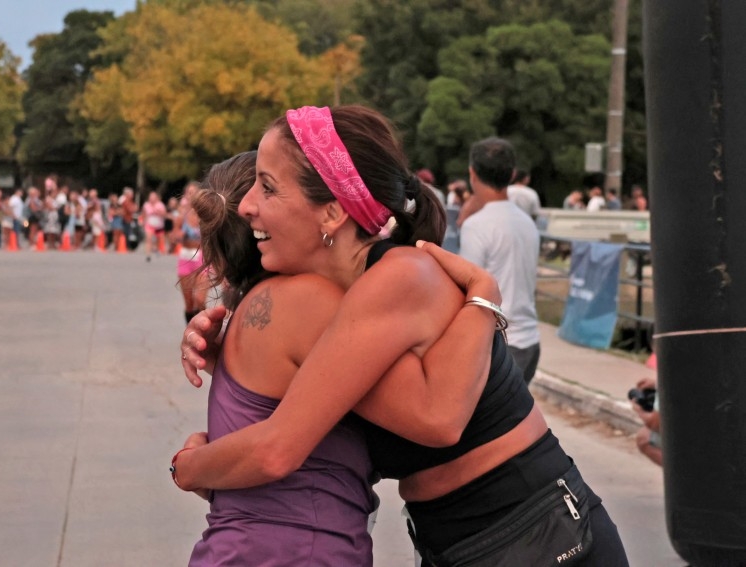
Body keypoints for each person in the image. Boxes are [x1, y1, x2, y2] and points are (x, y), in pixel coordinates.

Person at [176, 106, 628, 566]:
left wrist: (189, 467)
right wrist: (229, 355)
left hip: (533, 529)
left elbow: (438, 420)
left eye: (268, 186)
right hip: (470, 538)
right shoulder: (343, 301)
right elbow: (325, 400)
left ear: (332, 212)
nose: (248, 204)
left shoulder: (399, 276)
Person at [459, 137, 542, 386]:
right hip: (529, 342)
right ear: (513, 173)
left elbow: (469, 291)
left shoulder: (476, 226)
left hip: (500, 346)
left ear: (472, 173)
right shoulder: (527, 222)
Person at [177, 182, 206, 323]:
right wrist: (178, 235)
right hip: (186, 256)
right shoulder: (181, 216)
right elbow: (173, 236)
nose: (192, 195)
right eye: (189, 192)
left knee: (199, 299)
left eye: (195, 192)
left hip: (203, 257)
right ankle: (191, 330)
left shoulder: (207, 215)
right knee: (189, 304)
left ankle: (205, 329)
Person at [141, 190, 166, 262]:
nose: (152, 199)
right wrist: (142, 221)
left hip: (159, 225)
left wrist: (158, 212)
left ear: (156, 198)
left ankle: (156, 249)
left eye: (153, 197)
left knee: (158, 239)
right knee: (149, 239)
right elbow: (144, 214)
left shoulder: (160, 205)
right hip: (149, 224)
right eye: (151, 197)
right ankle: (148, 255)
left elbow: (164, 214)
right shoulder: (146, 205)